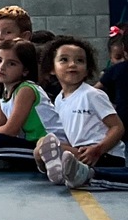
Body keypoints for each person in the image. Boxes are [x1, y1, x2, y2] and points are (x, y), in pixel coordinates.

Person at [36, 37, 127, 188]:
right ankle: (56, 170)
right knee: (41, 146)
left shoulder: (92, 95)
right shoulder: (59, 100)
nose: (72, 64)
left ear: (87, 69)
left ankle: (73, 172)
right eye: (64, 60)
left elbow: (117, 127)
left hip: (104, 155)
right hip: (79, 152)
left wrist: (98, 149)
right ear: (52, 68)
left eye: (80, 61)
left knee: (52, 148)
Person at [0, 40, 62, 173]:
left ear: (25, 70)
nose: (1, 67)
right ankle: (7, 159)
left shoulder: (26, 89)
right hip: (31, 141)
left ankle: (27, 161)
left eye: (11, 64)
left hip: (48, 142)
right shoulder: (3, 93)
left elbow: (11, 129)